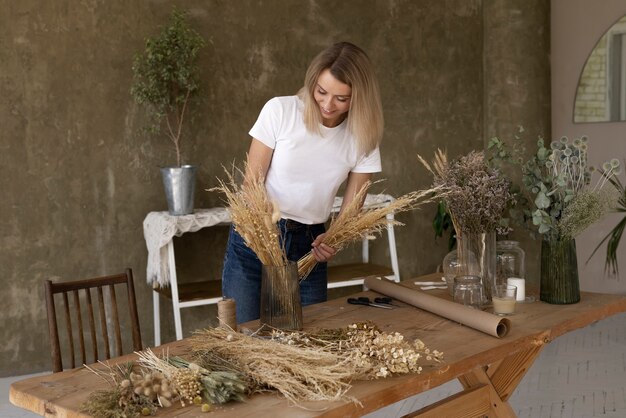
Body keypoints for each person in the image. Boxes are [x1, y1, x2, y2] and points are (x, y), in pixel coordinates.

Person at [222, 41, 384, 324]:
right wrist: (266, 239)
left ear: (359, 98)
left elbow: (351, 209)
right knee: (242, 337)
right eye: (321, 92)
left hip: (310, 247)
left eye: (341, 98)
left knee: (305, 342)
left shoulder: (363, 138)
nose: (327, 104)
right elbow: (251, 184)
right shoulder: (280, 111)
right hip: (256, 236)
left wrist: (334, 240)